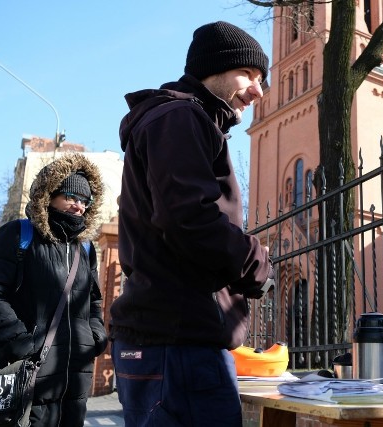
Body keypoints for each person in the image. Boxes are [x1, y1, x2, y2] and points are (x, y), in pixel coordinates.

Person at [110, 21, 274, 427]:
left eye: (262, 79)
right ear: (212, 69)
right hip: (178, 344)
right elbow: (190, 219)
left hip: (169, 339)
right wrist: (255, 261)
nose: (259, 91)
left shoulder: (185, 120)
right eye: (249, 75)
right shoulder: (181, 118)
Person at [0, 153, 108, 427]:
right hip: (24, 374)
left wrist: (95, 336)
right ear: (49, 194)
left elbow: (93, 301)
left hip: (74, 379)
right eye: (71, 196)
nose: (78, 206)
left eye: (85, 200)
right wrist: (19, 342)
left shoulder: (85, 249)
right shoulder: (17, 235)